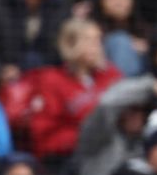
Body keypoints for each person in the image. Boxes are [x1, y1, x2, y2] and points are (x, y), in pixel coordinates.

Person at [24, 18, 121, 165]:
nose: (96, 47)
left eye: (98, 40)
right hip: (68, 158)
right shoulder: (51, 80)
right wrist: (85, 137)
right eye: (89, 41)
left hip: (112, 150)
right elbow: (44, 136)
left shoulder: (109, 74)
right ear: (70, 44)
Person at [72, 76, 157, 175]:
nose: (134, 116)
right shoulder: (98, 137)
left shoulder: (148, 145)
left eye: (140, 111)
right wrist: (150, 84)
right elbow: (106, 104)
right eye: (129, 111)